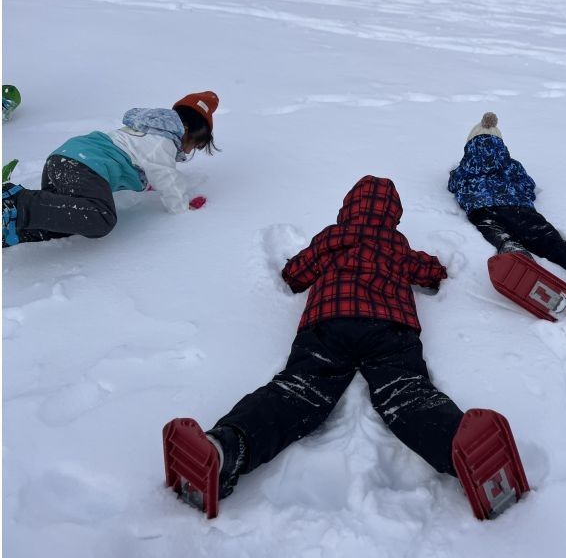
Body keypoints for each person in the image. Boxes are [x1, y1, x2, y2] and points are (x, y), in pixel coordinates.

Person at [166, 175, 468, 505]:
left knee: (298, 390)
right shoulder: (397, 244)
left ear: (347, 207)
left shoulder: (331, 237)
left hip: (328, 324)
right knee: (406, 390)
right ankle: (463, 450)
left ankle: (225, 447)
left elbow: (295, 275)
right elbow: (431, 272)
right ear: (393, 216)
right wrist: (433, 268)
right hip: (390, 327)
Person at [2, 91, 219, 248]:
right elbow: (166, 176)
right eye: (194, 145)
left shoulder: (145, 132)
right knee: (100, 218)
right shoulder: (162, 142)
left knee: (69, 220)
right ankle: (12, 203)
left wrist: (146, 183)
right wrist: (182, 208)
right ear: (186, 131)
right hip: (83, 164)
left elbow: (141, 163)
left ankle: (14, 229)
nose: (188, 151)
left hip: (65, 161)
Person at [448, 112, 566, 292]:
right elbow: (528, 186)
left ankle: (514, 252)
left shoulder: (464, 168)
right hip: (519, 209)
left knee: (497, 234)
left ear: (470, 143)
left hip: (483, 210)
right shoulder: (511, 165)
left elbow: (454, 185)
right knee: (552, 244)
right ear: (500, 143)